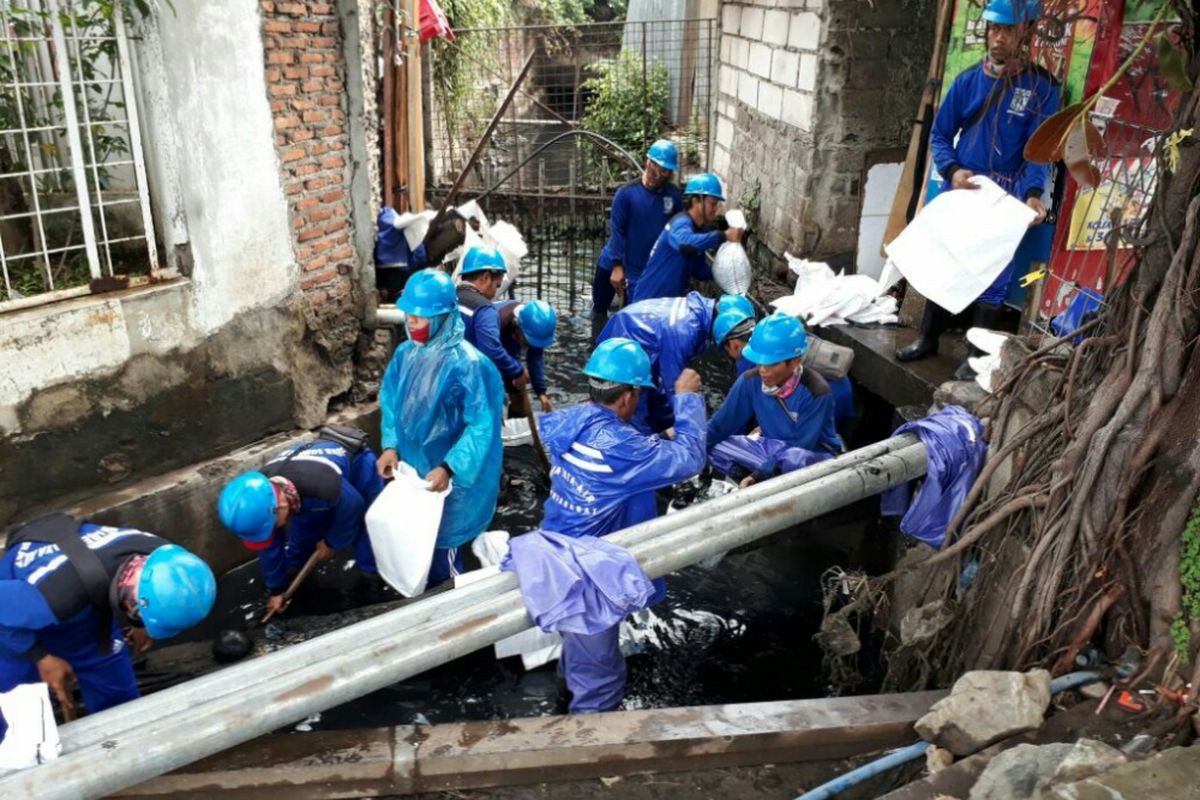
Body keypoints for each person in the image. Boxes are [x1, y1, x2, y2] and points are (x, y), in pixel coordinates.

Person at [539, 337, 707, 712]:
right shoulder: (624, 449)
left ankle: (567, 688)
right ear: (629, 396)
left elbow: (616, 452)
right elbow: (691, 458)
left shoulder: (571, 420)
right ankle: (592, 752)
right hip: (587, 578)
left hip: (554, 550)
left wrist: (651, 439)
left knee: (578, 652)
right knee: (601, 682)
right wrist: (687, 399)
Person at [897, 0, 1059, 377]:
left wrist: (1033, 195)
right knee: (946, 263)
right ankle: (927, 339)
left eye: (1007, 30)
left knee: (995, 274)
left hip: (1006, 195)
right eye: (993, 29)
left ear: (1028, 33)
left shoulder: (1042, 89)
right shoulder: (969, 80)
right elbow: (939, 134)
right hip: (965, 187)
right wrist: (952, 170)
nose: (998, 38)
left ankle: (974, 356)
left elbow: (1041, 149)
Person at [0, 514, 215, 735]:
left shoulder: (165, 556)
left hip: (88, 611)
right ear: (133, 600)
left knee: (121, 708)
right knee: (9, 718)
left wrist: (140, 622)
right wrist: (40, 657)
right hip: (13, 623)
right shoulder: (53, 596)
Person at [378, 268, 505, 585]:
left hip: (453, 476)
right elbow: (391, 399)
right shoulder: (406, 354)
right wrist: (390, 445)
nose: (411, 324)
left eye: (420, 318)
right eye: (409, 316)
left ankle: (456, 607)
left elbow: (481, 426)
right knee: (421, 535)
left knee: (448, 547)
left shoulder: (467, 364)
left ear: (441, 317)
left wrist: (450, 467)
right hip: (416, 466)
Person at [218, 429, 386, 615]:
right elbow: (269, 545)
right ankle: (294, 574)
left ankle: (371, 581)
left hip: (358, 468)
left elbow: (354, 507)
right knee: (302, 535)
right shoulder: (263, 498)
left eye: (272, 525)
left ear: (282, 506)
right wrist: (277, 589)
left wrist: (332, 542)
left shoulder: (322, 484)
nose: (271, 530)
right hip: (304, 490)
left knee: (365, 531)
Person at [707, 312, 843, 486]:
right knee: (716, 445)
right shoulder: (750, 381)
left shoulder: (816, 392)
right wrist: (691, 446)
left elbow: (800, 446)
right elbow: (720, 424)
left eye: (771, 363)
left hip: (811, 457)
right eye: (759, 362)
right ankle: (746, 479)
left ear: (795, 362)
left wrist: (758, 475)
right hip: (774, 449)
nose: (762, 370)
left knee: (792, 459)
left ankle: (760, 481)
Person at [597, 290, 754, 433]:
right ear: (733, 344)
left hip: (637, 335)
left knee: (659, 405)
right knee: (637, 408)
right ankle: (642, 448)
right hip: (623, 348)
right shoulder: (685, 331)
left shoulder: (698, 313)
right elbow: (674, 384)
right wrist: (691, 427)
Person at [594, 139, 685, 319]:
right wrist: (617, 267)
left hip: (641, 272)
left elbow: (677, 232)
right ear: (647, 162)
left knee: (634, 319)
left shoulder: (673, 196)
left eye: (664, 171)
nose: (658, 174)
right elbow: (618, 232)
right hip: (612, 263)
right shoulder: (626, 194)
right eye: (655, 167)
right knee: (599, 310)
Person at [631, 173, 745, 303]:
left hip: (667, 305)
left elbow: (699, 270)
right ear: (696, 201)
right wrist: (724, 235)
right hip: (648, 302)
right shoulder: (680, 223)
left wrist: (725, 273)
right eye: (712, 204)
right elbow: (685, 244)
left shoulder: (701, 229)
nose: (716, 209)